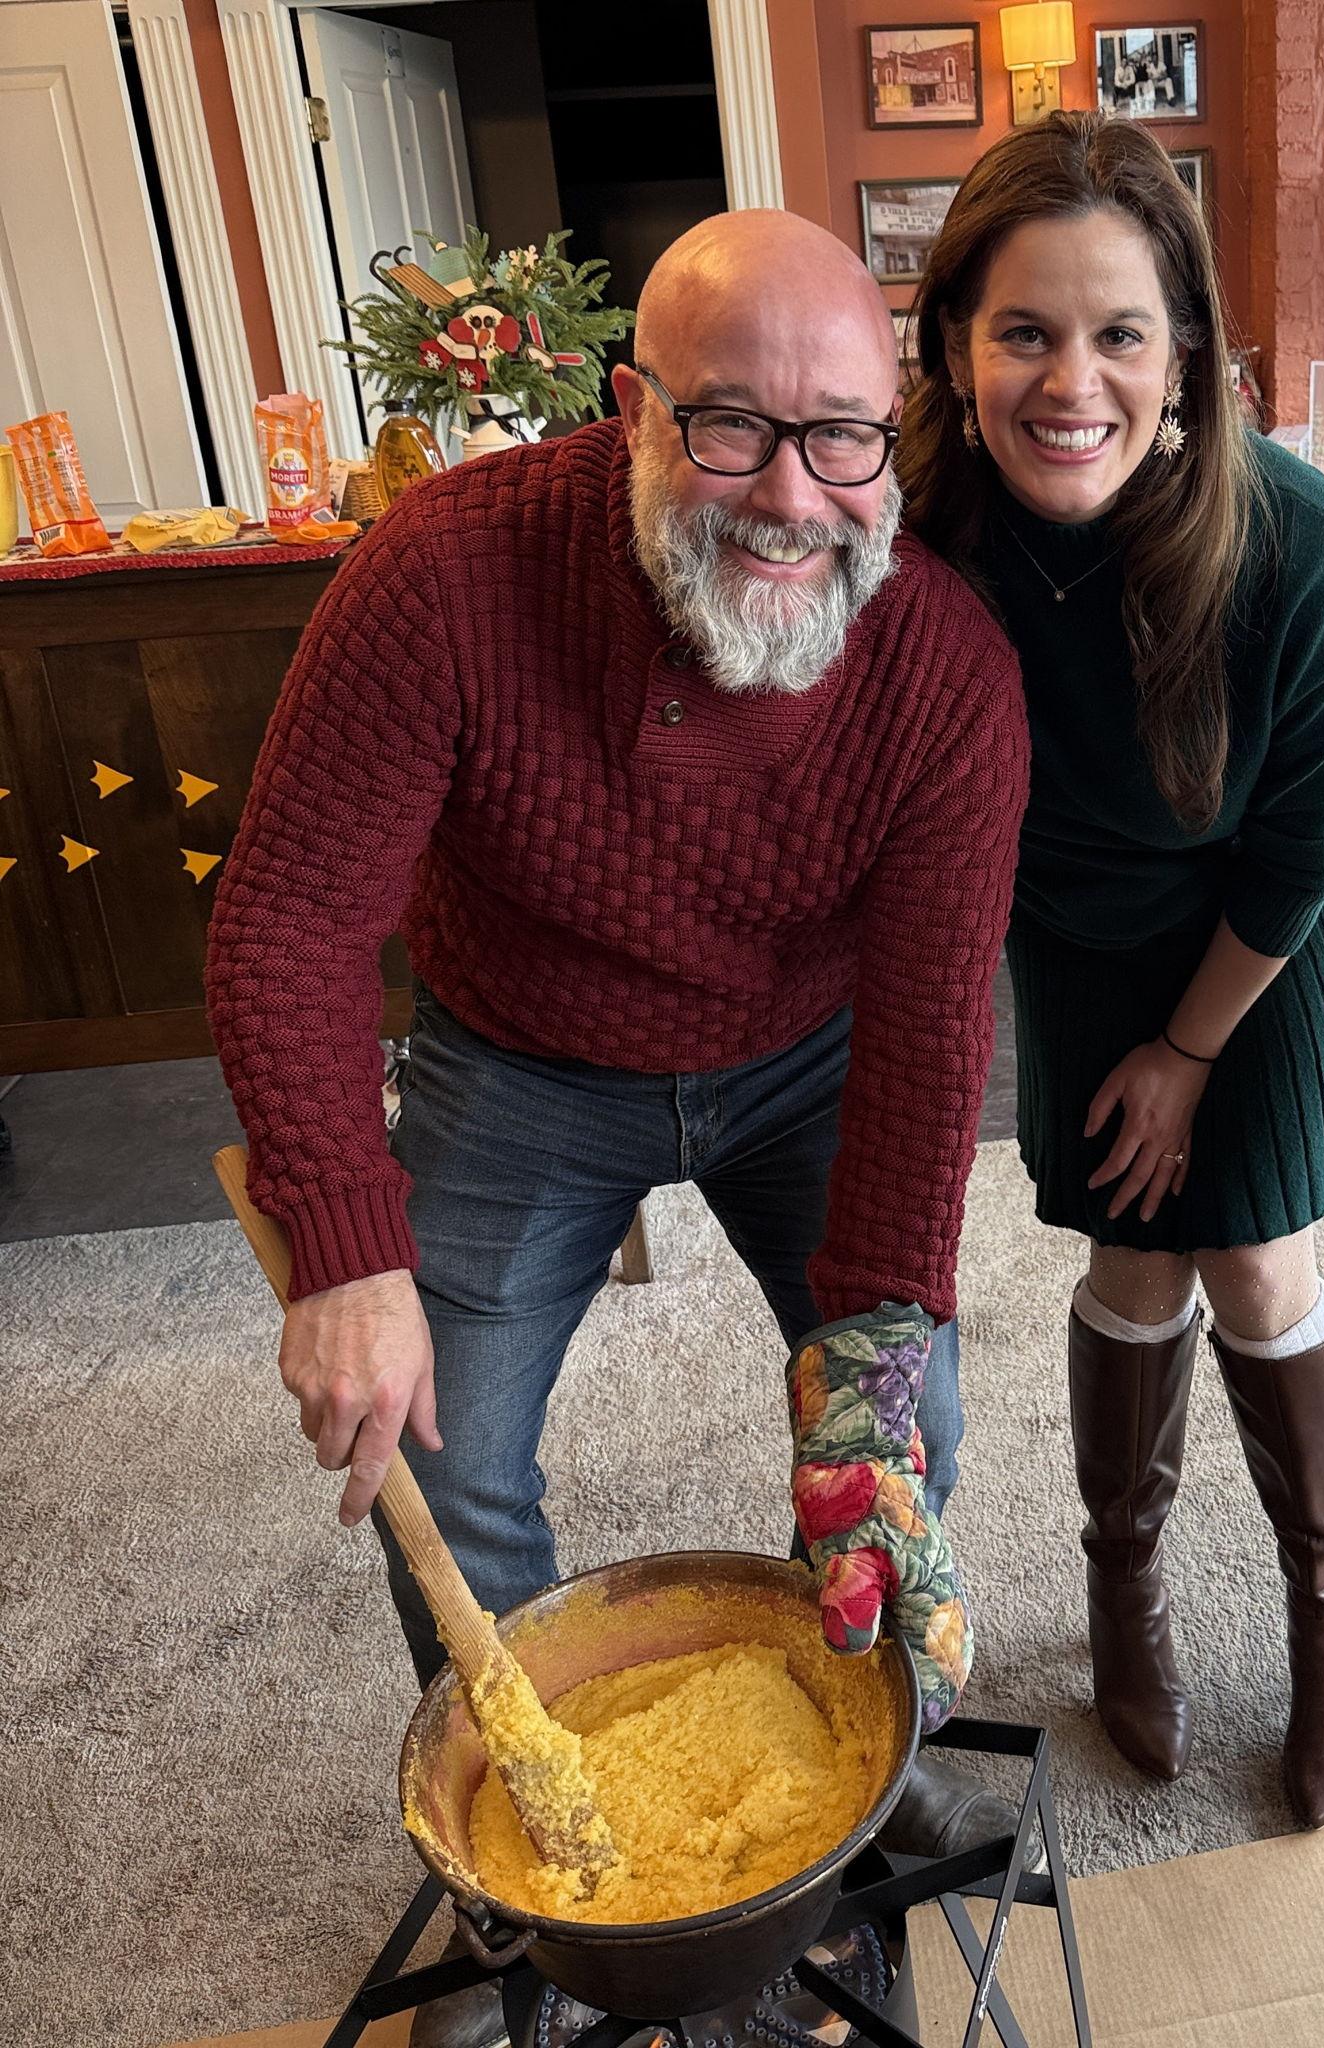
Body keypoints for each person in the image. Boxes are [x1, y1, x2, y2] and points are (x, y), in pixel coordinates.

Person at [206, 210, 1029, 2045]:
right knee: (448, 1446)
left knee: (909, 1423)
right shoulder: (441, 576)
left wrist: (873, 1343)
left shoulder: (947, 667)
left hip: (810, 1057)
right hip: (519, 1060)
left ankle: (864, 1769)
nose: (793, 495)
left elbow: (927, 1027)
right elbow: (290, 920)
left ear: (889, 429)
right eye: (730, 427)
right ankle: (527, 1890)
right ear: (627, 407)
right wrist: (346, 1245)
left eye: (840, 436)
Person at [897, 112, 1324, 1829]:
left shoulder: (1303, 551)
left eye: (1119, 333)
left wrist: (1191, 1053)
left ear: (1186, 352)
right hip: (1075, 926)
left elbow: (1312, 848)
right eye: (1025, 331)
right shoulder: (921, 538)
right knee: (1128, 1240)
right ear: (958, 351)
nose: (1072, 381)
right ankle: (1126, 1585)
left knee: (1253, 1252)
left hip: (1257, 933)